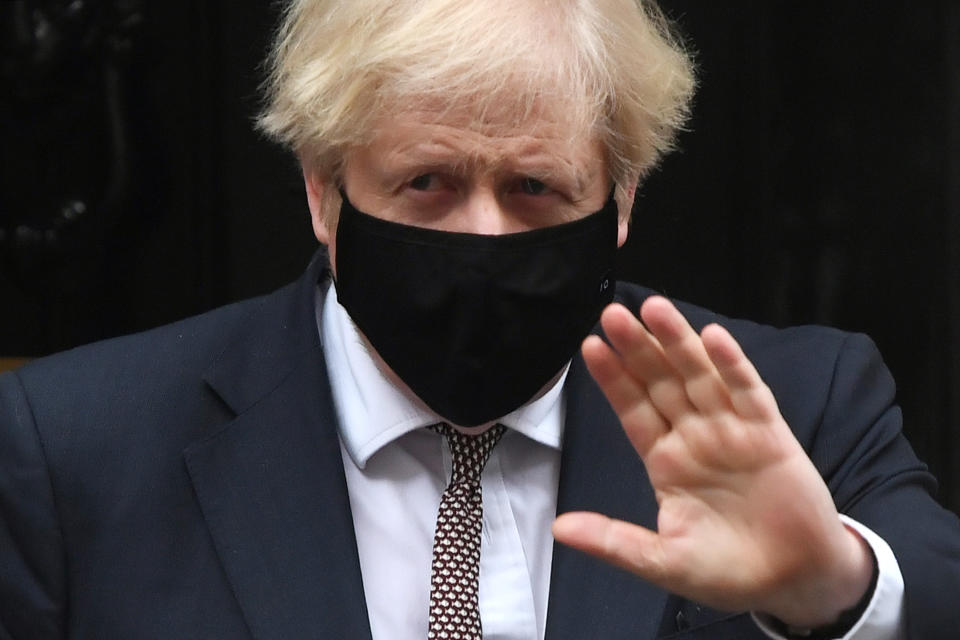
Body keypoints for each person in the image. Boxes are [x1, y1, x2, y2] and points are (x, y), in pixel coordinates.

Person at [1, 0, 957, 638]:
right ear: (324, 195)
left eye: (536, 187)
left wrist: (832, 587)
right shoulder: (76, 447)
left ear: (621, 201)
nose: (484, 232)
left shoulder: (789, 405)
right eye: (428, 183)